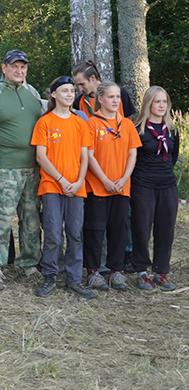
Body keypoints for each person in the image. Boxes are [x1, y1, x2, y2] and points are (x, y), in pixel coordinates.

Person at [0, 50, 44, 290]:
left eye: (23, 67)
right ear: (4, 68)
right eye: (14, 66)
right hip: (3, 171)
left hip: (32, 170)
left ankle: (29, 265)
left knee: (31, 221)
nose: (19, 71)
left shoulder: (32, 93)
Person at [31, 76, 95, 299]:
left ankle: (74, 279)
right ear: (54, 94)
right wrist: (61, 180)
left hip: (76, 187)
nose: (69, 95)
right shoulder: (45, 122)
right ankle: (50, 276)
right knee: (53, 234)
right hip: (52, 186)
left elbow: (85, 157)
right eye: (64, 91)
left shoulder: (80, 123)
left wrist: (78, 182)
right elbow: (41, 157)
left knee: (75, 234)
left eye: (72, 91)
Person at [84, 82, 141, 292]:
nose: (115, 100)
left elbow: (133, 153)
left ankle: (116, 270)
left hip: (121, 187)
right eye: (111, 97)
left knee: (119, 229)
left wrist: (124, 178)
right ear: (100, 99)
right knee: (95, 230)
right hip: (97, 186)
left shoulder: (126, 124)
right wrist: (105, 180)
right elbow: (89, 156)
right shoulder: (91, 123)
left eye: (118, 97)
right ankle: (93, 271)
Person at [129, 86, 180, 292]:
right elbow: (131, 159)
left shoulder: (172, 130)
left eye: (164, 102)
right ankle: (142, 271)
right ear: (149, 103)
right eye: (157, 101)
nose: (161, 105)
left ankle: (161, 271)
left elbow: (173, 157)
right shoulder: (137, 129)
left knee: (165, 229)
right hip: (143, 185)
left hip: (167, 185)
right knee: (141, 228)